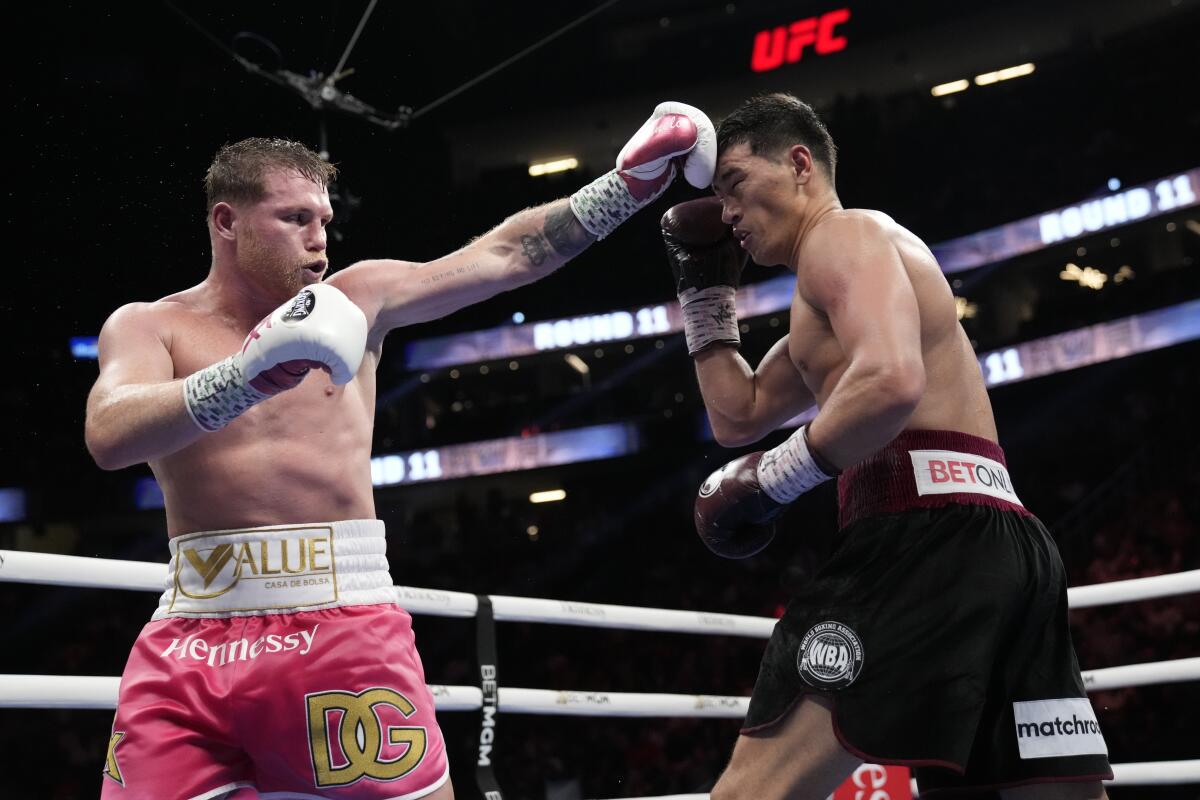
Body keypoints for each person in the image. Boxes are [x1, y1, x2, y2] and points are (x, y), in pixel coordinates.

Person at [85, 101, 715, 800]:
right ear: (226, 221)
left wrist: (626, 187)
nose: (319, 241)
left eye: (324, 220)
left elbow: (505, 255)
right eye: (294, 219)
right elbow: (110, 434)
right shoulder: (150, 325)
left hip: (340, 616)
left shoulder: (359, 298)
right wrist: (247, 376)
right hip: (193, 634)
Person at [662, 93, 1112, 798]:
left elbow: (893, 379)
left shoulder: (843, 237)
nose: (726, 215)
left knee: (754, 791)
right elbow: (738, 414)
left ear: (801, 164)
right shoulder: (830, 297)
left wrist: (773, 480)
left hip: (925, 537)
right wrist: (703, 289)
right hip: (1005, 546)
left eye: (736, 187)